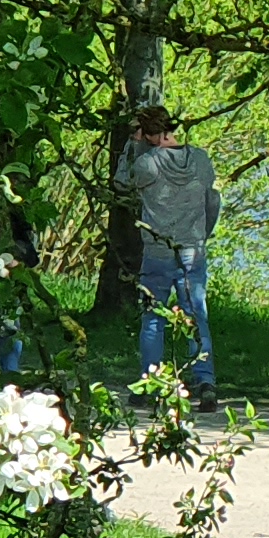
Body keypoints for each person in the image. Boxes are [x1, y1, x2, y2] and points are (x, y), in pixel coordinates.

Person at [119, 104, 219, 399]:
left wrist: (132, 144)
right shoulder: (200, 159)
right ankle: (205, 380)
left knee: (153, 318)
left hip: (157, 252)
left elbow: (121, 182)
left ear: (148, 134)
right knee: (196, 315)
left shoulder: (148, 164)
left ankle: (151, 381)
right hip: (193, 249)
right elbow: (212, 201)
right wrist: (202, 235)